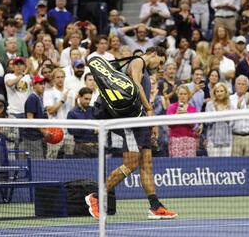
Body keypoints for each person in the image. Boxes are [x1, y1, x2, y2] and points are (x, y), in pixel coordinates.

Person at [85, 46, 177, 220]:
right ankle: (95, 196)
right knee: (131, 164)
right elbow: (135, 84)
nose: (160, 66)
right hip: (132, 121)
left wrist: (149, 123)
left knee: (146, 164)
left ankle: (155, 206)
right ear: (154, 54)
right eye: (161, 61)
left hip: (140, 120)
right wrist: (150, 111)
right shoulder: (138, 61)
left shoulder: (144, 69)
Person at [44, 68, 74, 159]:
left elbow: (73, 110)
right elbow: (50, 110)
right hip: (54, 130)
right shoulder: (48, 93)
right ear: (53, 79)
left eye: (62, 77)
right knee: (51, 158)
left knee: (69, 158)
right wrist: (62, 101)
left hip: (69, 131)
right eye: (58, 77)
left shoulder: (71, 92)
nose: (60, 79)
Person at [230, 75, 249, 156]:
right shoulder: (230, 99)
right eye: (238, 84)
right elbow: (229, 119)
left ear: (247, 87)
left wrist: (247, 104)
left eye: (243, 84)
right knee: (235, 166)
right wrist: (238, 106)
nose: (240, 86)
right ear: (235, 86)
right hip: (235, 136)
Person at [166, 84, 199, 157]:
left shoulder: (192, 109)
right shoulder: (172, 107)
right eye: (181, 94)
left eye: (185, 94)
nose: (183, 96)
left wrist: (187, 116)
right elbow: (169, 124)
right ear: (177, 94)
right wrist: (176, 115)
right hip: (175, 139)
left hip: (189, 139)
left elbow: (193, 125)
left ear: (188, 95)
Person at [22, 75, 49, 159]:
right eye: (40, 84)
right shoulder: (32, 98)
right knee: (36, 164)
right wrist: (43, 131)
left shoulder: (39, 97)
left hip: (39, 136)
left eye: (44, 83)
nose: (43, 86)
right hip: (32, 138)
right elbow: (30, 119)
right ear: (33, 85)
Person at [67, 87, 97, 158]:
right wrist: (90, 128)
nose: (88, 101)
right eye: (86, 99)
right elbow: (71, 131)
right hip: (80, 148)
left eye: (89, 99)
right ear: (79, 97)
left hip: (96, 147)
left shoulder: (94, 110)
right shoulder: (72, 113)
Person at [205, 82, 232, 157]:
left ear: (225, 92)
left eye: (221, 91)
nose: (219, 93)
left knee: (226, 166)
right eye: (217, 91)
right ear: (214, 93)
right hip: (212, 141)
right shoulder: (210, 104)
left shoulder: (230, 105)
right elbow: (207, 122)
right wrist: (217, 112)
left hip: (227, 141)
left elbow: (232, 122)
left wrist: (224, 117)